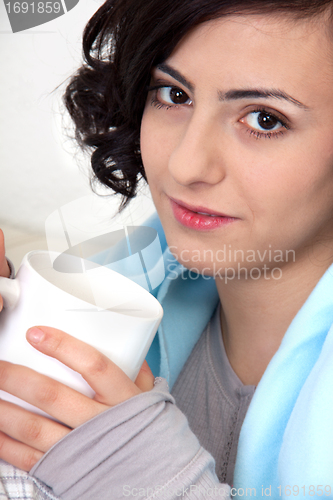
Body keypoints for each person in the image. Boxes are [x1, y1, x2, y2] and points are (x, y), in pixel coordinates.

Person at [1, 0, 333, 497]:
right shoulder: (114, 287)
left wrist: (156, 480)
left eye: (264, 119)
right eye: (173, 94)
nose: (185, 165)